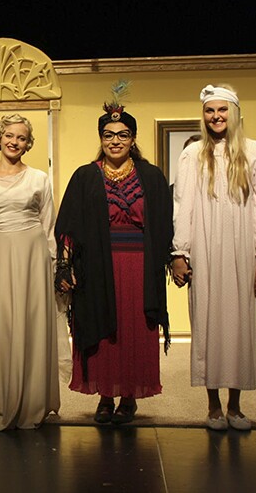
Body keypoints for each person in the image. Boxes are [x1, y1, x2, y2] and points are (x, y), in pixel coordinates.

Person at [55, 92, 173, 425]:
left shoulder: (151, 176)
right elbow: (68, 225)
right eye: (109, 135)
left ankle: (129, 397)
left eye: (122, 135)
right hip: (96, 268)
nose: (115, 140)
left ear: (133, 139)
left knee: (134, 330)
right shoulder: (84, 176)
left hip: (139, 267)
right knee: (103, 330)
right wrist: (65, 266)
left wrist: (173, 261)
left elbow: (165, 224)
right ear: (101, 139)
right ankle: (106, 396)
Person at [171, 84, 256, 431]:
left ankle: (235, 406)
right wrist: (180, 252)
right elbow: (182, 206)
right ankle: (213, 405)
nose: (216, 116)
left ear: (234, 112)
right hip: (204, 246)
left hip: (243, 247)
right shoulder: (192, 155)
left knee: (242, 324)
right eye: (209, 110)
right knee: (208, 322)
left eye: (222, 110)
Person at [0, 114, 70, 430]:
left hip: (33, 257)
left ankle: (33, 399)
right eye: (9, 135)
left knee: (31, 324)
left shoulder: (39, 178)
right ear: (0, 137)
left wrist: (54, 268)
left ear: (28, 143)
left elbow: (49, 226)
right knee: (1, 325)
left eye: (22, 138)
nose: (15, 142)